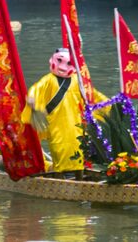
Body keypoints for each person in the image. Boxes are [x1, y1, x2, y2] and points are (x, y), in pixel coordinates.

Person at [21, 48, 110, 177]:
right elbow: (36, 89)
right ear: (52, 60)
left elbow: (93, 95)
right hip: (56, 124)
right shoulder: (48, 80)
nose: (63, 66)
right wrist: (32, 98)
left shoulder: (77, 80)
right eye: (59, 61)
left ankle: (79, 179)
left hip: (75, 125)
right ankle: (59, 179)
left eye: (68, 63)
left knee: (78, 153)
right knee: (59, 152)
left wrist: (112, 104)